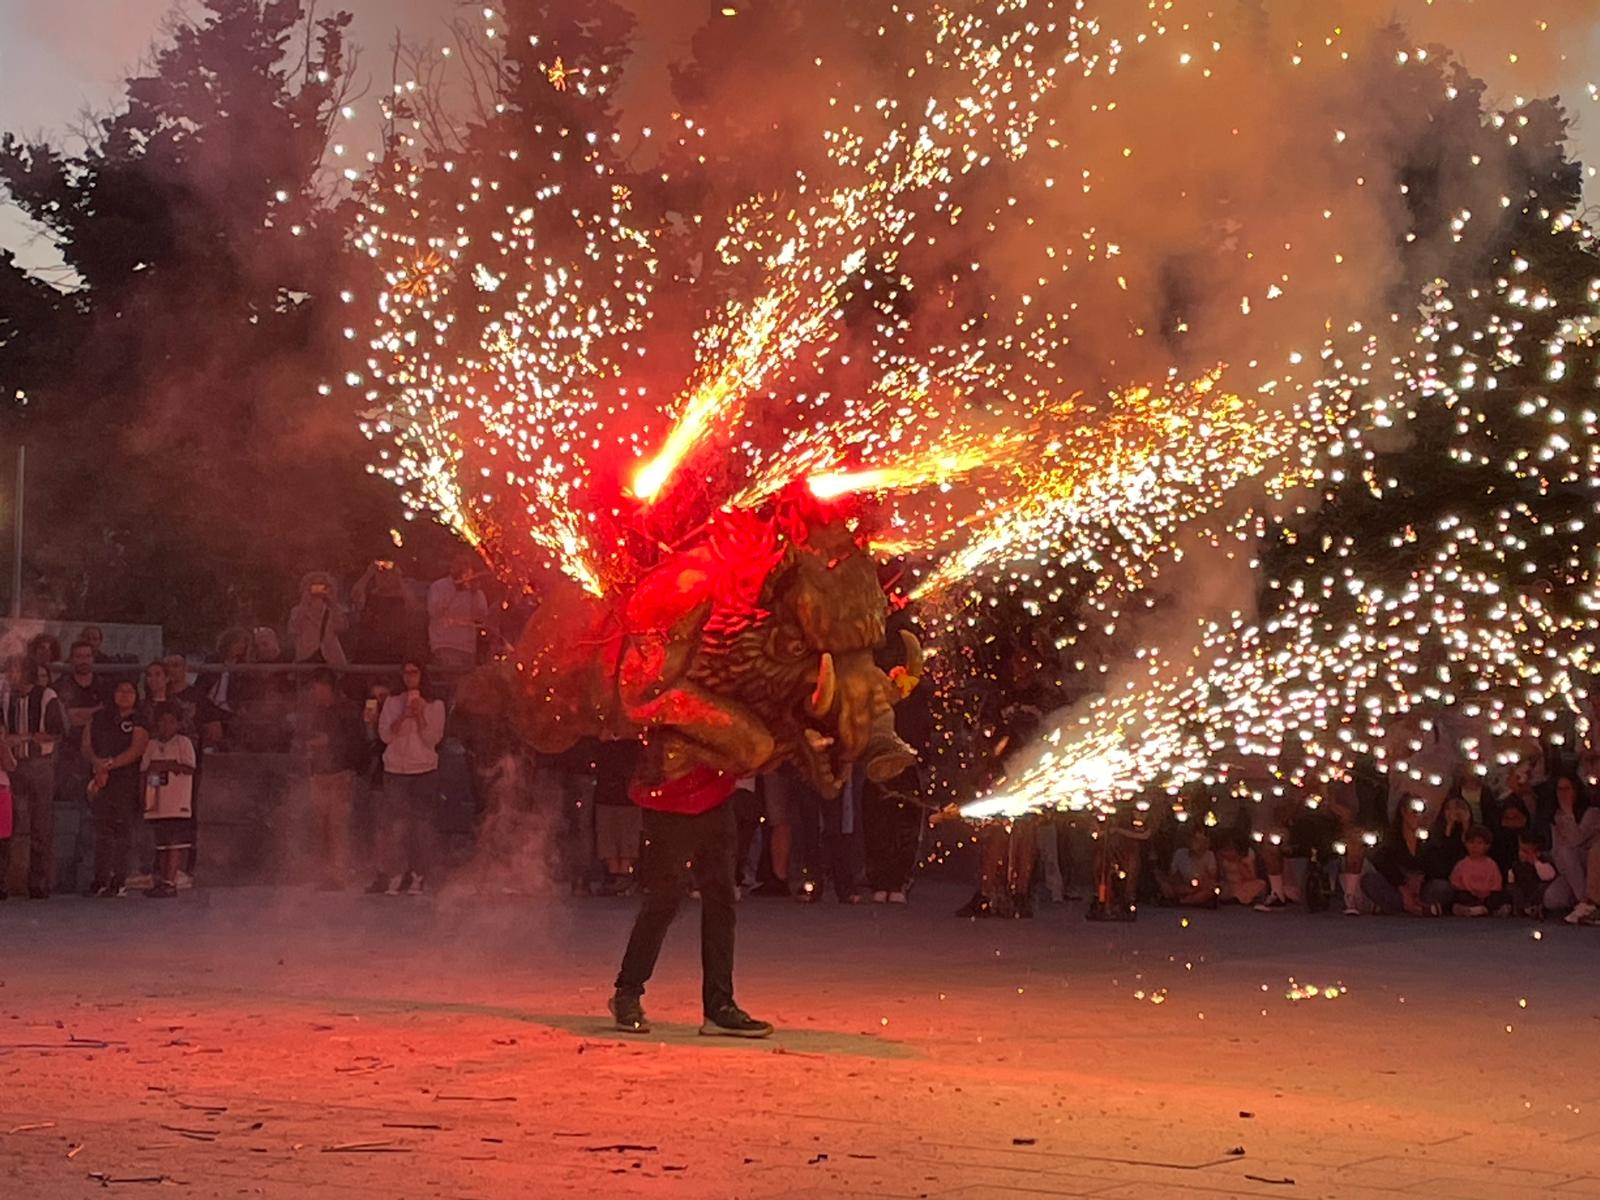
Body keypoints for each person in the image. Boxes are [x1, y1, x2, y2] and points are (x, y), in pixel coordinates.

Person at [609, 745, 773, 1039]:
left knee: (721, 900)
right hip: (667, 800)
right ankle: (627, 992)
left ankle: (719, 1005)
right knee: (665, 899)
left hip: (715, 798)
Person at [370, 661, 445, 896]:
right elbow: (385, 735)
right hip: (396, 771)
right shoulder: (393, 702)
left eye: (414, 672)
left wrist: (420, 715)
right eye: (406, 673)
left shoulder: (435, 705)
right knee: (396, 826)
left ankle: (418, 875)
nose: (409, 677)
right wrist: (403, 715)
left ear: (423, 674)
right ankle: (397, 873)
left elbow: (432, 739)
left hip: (423, 770)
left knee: (420, 827)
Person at [1, 654, 67, 898]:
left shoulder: (47, 696)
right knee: (7, 824)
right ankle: (2, 882)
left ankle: (39, 883)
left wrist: (23, 738)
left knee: (41, 824)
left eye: (14, 671)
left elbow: (56, 731)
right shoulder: (5, 697)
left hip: (40, 765)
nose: (9, 676)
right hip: (12, 765)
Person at [300, 668, 366, 889]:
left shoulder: (348, 710)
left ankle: (339, 874)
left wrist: (328, 741)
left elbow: (356, 741)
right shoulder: (317, 711)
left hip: (341, 775)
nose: (314, 692)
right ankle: (324, 874)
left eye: (317, 687)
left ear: (327, 687)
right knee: (320, 827)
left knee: (338, 827)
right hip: (319, 774)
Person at [84, 680, 150, 897]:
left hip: (126, 781)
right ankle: (100, 879)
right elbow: (86, 745)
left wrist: (110, 764)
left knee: (122, 831)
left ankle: (119, 879)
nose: (125, 694)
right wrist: (97, 764)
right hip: (100, 778)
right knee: (102, 831)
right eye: (121, 690)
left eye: (130, 691)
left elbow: (137, 748)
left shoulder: (139, 719)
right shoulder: (99, 717)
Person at [139, 705, 195, 899]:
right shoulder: (152, 745)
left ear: (178, 724)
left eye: (171, 721)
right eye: (162, 721)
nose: (166, 725)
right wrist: (144, 798)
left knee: (174, 843)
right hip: (156, 801)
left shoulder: (183, 743)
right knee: (161, 844)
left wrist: (167, 764)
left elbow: (189, 768)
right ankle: (162, 880)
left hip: (177, 802)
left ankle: (170, 882)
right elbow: (145, 771)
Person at [1361, 798, 1429, 915]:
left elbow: (1434, 864)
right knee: (1370, 880)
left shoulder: (1427, 840)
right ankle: (1406, 907)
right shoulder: (1392, 840)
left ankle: (1414, 906)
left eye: (1421, 813)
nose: (1417, 817)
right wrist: (1402, 885)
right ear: (1403, 812)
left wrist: (1420, 879)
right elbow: (1383, 862)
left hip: (1422, 888)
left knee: (1440, 888)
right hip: (1399, 888)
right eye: (1414, 812)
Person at [1543, 772, 1600, 911]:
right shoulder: (1556, 816)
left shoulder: (1592, 813)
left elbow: (1576, 840)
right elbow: (1556, 850)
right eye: (1559, 789)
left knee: (1567, 851)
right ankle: (1580, 899)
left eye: (1567, 789)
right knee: (1551, 899)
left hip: (1589, 863)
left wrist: (1568, 813)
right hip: (1570, 870)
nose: (1562, 793)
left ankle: (1586, 903)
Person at [593, 738, 644, 891]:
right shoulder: (633, 744)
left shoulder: (628, 744)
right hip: (616, 795)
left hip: (622, 795)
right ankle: (618, 876)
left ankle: (619, 876)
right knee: (615, 837)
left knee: (620, 837)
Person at [427, 555, 489, 672]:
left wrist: (474, 593)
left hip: (467, 647)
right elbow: (434, 611)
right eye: (459, 564)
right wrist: (455, 590)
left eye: (466, 565)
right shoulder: (438, 586)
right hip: (445, 644)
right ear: (452, 567)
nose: (462, 568)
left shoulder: (475, 591)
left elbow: (481, 616)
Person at [351, 558, 413, 665]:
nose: (385, 578)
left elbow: (413, 606)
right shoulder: (370, 597)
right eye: (380, 574)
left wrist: (399, 578)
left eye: (389, 574)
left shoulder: (402, 598)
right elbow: (355, 595)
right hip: (369, 650)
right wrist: (368, 574)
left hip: (395, 649)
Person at [288, 571, 349, 666]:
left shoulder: (333, 610)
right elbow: (294, 629)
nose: (318, 590)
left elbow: (342, 628)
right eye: (314, 585)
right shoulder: (297, 611)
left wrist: (333, 602)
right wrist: (304, 603)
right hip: (307, 659)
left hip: (332, 660)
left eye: (323, 586)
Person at [1450, 825, 1510, 917]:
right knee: (1461, 896)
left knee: (1498, 897)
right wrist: (1470, 891)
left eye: (1479, 843)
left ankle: (1488, 909)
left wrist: (1486, 892)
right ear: (1466, 844)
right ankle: (1474, 909)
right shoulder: (1462, 864)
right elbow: (1455, 882)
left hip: (1487, 895)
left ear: (1487, 846)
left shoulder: (1491, 864)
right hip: (1470, 894)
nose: (1475, 846)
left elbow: (1496, 883)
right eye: (1471, 842)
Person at [1164, 828, 1220, 907]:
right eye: (1193, 839)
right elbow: (1173, 874)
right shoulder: (1179, 853)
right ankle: (1187, 899)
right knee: (1168, 887)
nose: (1194, 842)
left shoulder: (1209, 855)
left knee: (1209, 892)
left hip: (1201, 887)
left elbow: (1212, 876)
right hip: (1184, 886)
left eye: (1198, 840)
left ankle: (1183, 901)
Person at [1508, 833, 1556, 917]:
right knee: (1512, 888)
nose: (1522, 854)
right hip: (1523, 891)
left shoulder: (1543, 864)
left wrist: (1536, 862)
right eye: (1520, 850)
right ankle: (1521, 907)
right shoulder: (1517, 865)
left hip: (1535, 889)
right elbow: (1511, 880)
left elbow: (1547, 877)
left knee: (1543, 887)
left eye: (1526, 852)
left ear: (1537, 853)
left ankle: (1535, 906)